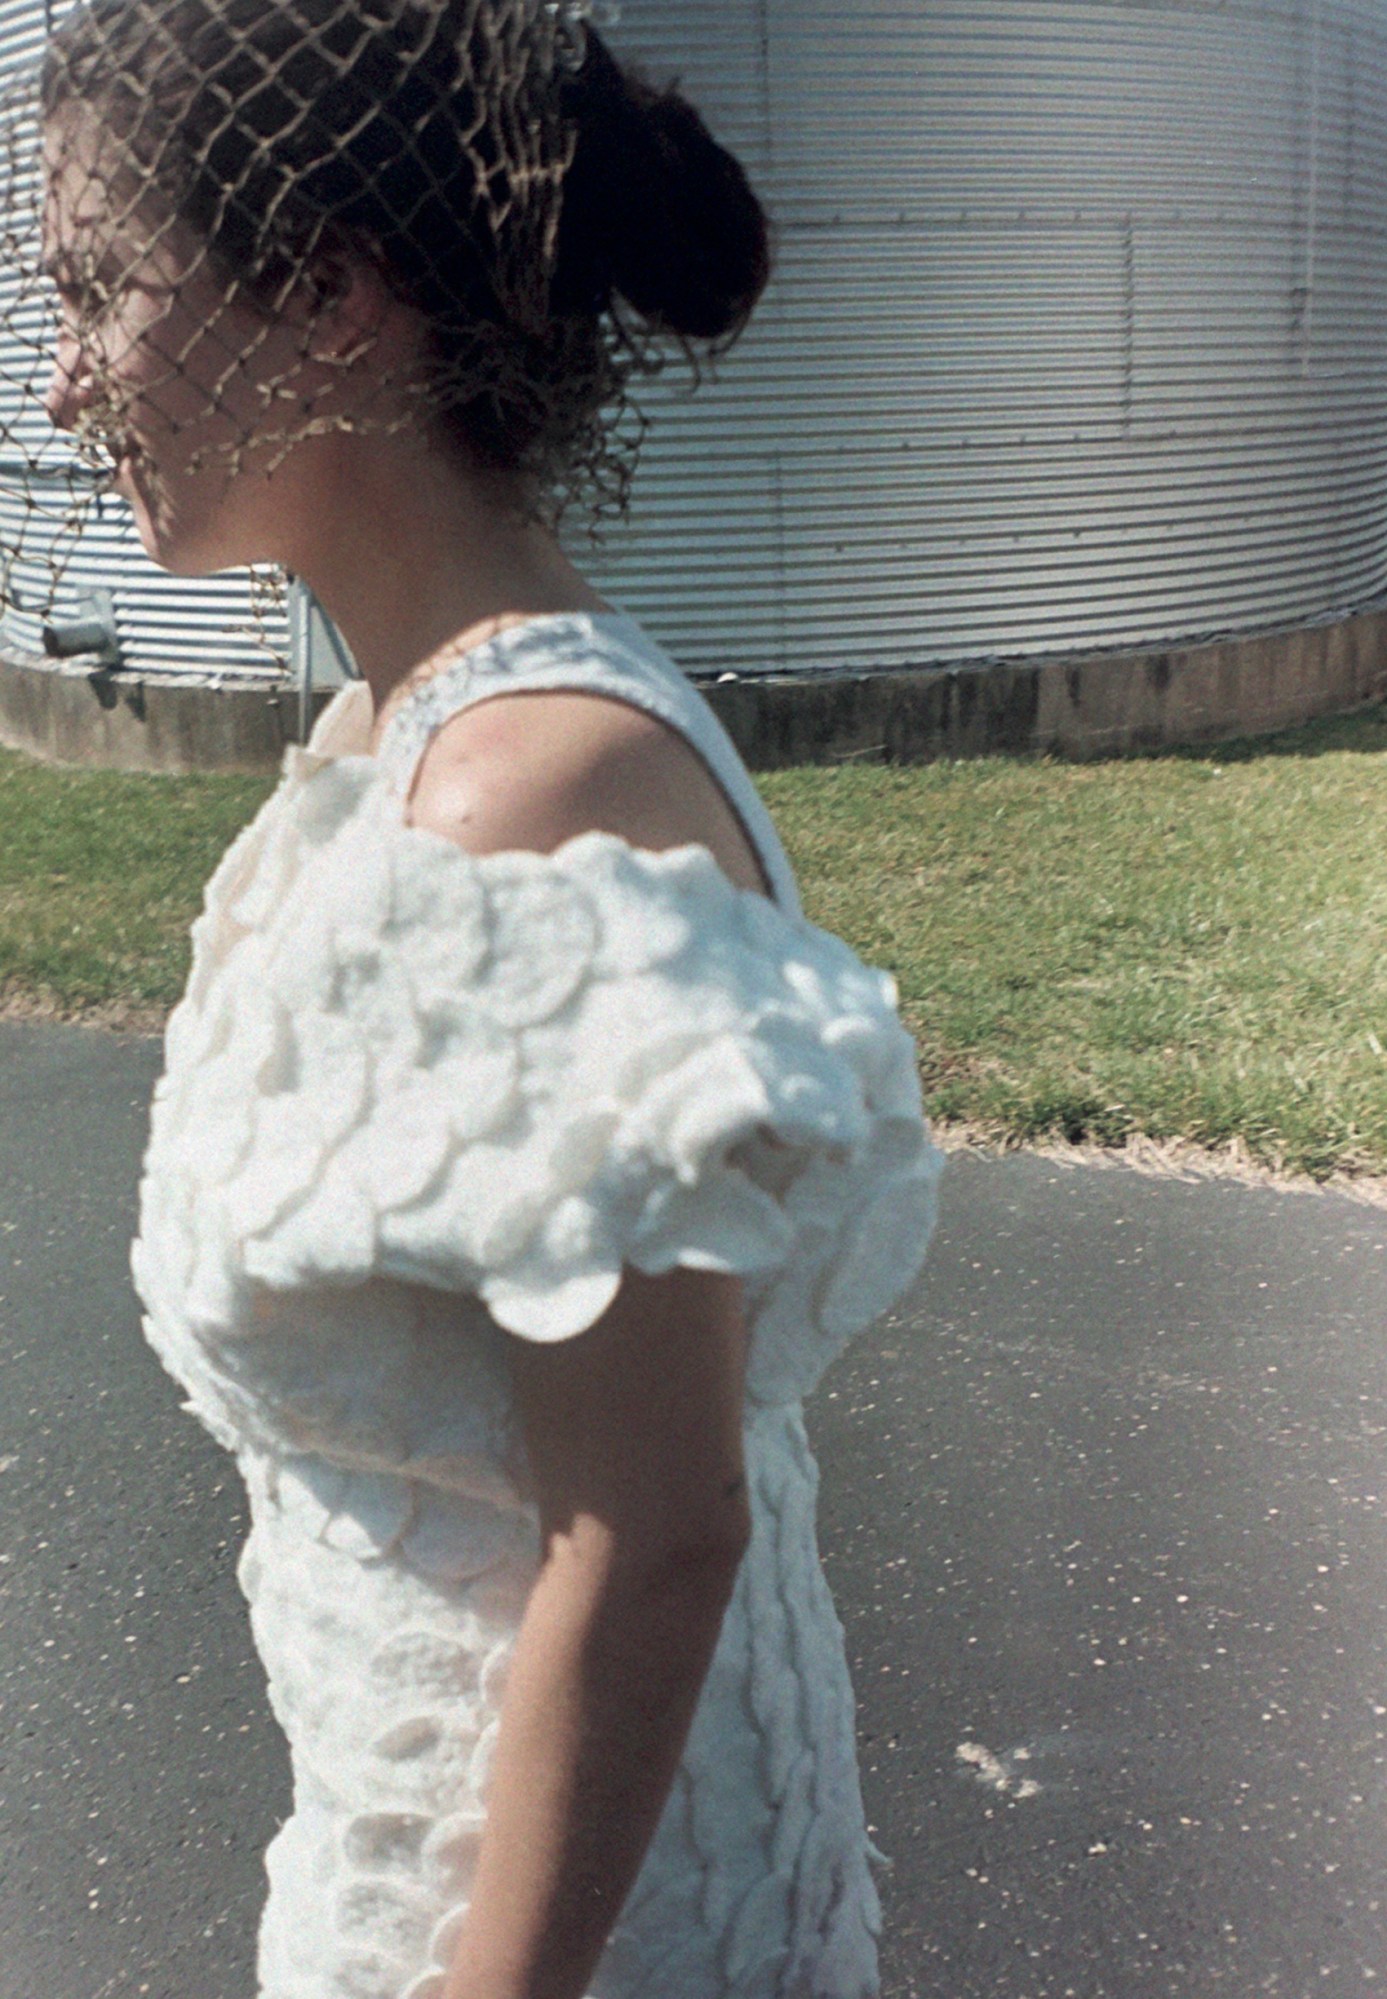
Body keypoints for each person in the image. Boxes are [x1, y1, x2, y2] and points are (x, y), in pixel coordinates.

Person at [36, 0, 943, 1993]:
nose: (65, 378)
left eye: (100, 289)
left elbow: (649, 1537)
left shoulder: (531, 793)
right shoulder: (401, 735)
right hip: (414, 1854)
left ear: (333, 298)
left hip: (576, 1941)